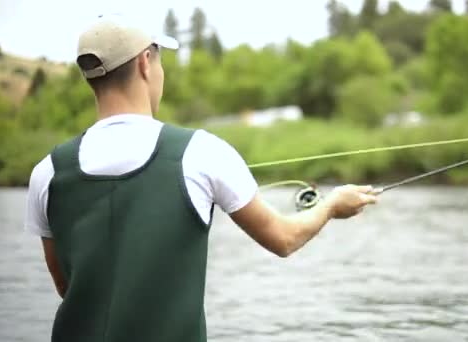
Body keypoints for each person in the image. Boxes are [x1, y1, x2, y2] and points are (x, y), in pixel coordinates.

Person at [24, 16, 377, 342]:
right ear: (146, 63)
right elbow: (284, 239)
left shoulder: (47, 172)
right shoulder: (202, 152)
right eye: (159, 60)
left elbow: (67, 286)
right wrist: (331, 206)